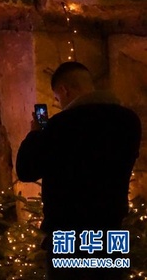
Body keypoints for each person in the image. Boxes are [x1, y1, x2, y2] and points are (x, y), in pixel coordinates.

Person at [16, 61, 142, 280]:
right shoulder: (129, 121)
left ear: (65, 90)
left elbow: (26, 169)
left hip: (68, 237)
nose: (60, 103)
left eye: (58, 98)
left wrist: (36, 133)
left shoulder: (59, 126)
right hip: (110, 233)